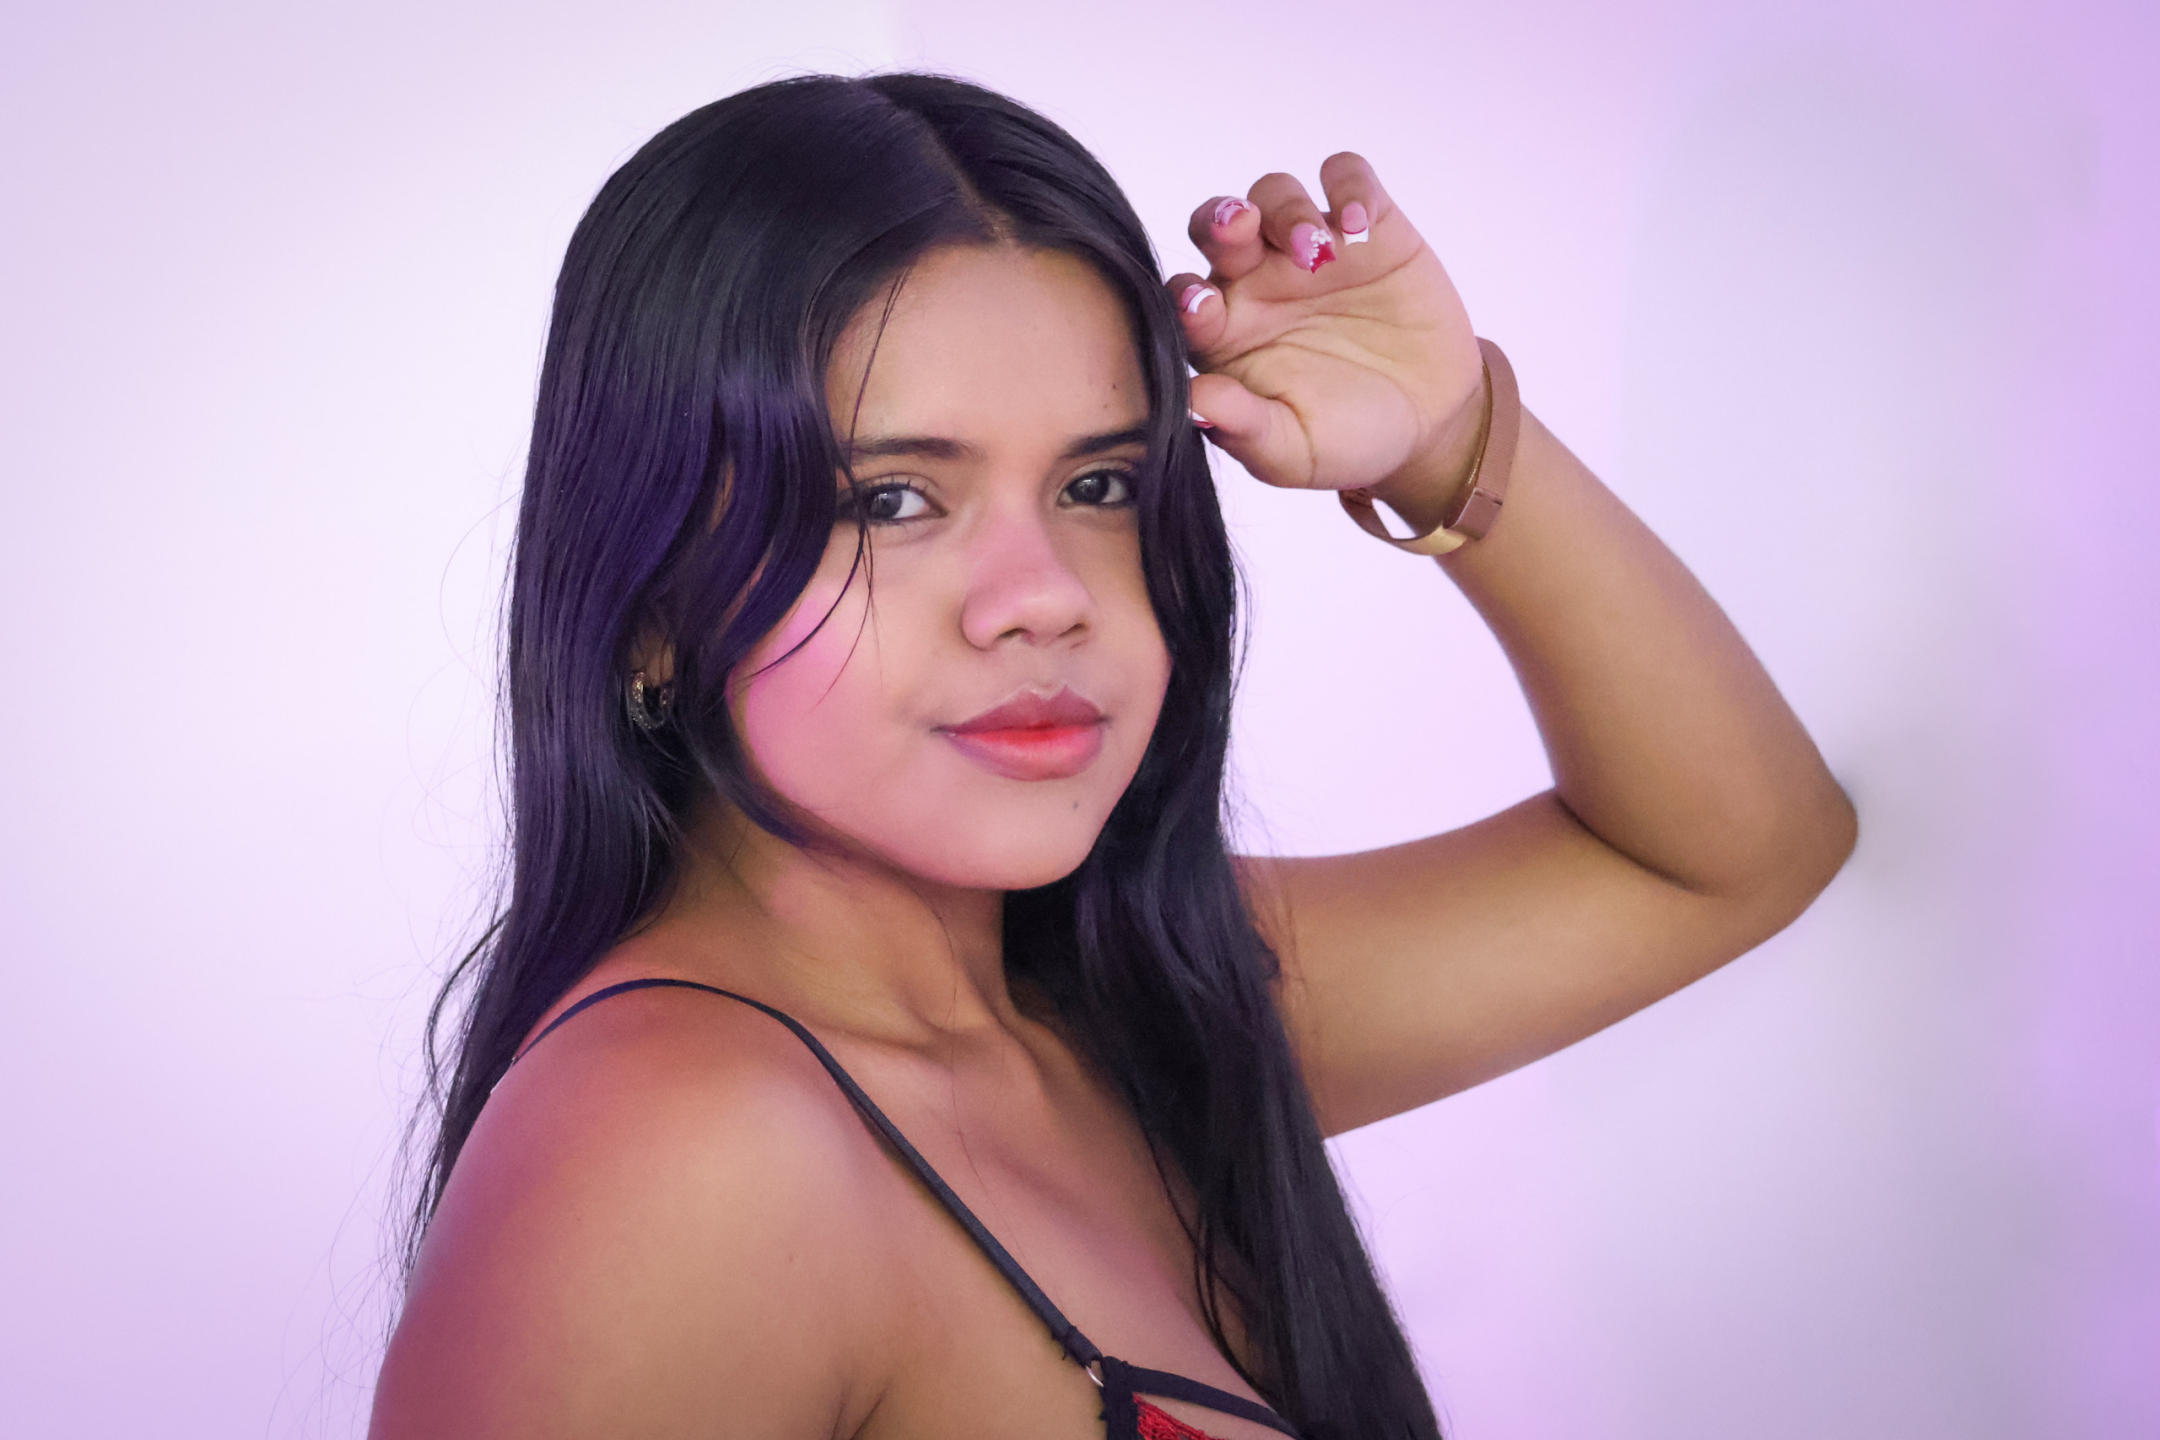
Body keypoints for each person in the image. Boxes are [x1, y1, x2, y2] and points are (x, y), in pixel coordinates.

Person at [367, 70, 1857, 1440]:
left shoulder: (1137, 1005)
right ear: (650, 613)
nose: (1044, 597)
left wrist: (1447, 432)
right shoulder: (679, 1155)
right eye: (892, 501)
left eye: (1097, 485)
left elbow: (1734, 852)